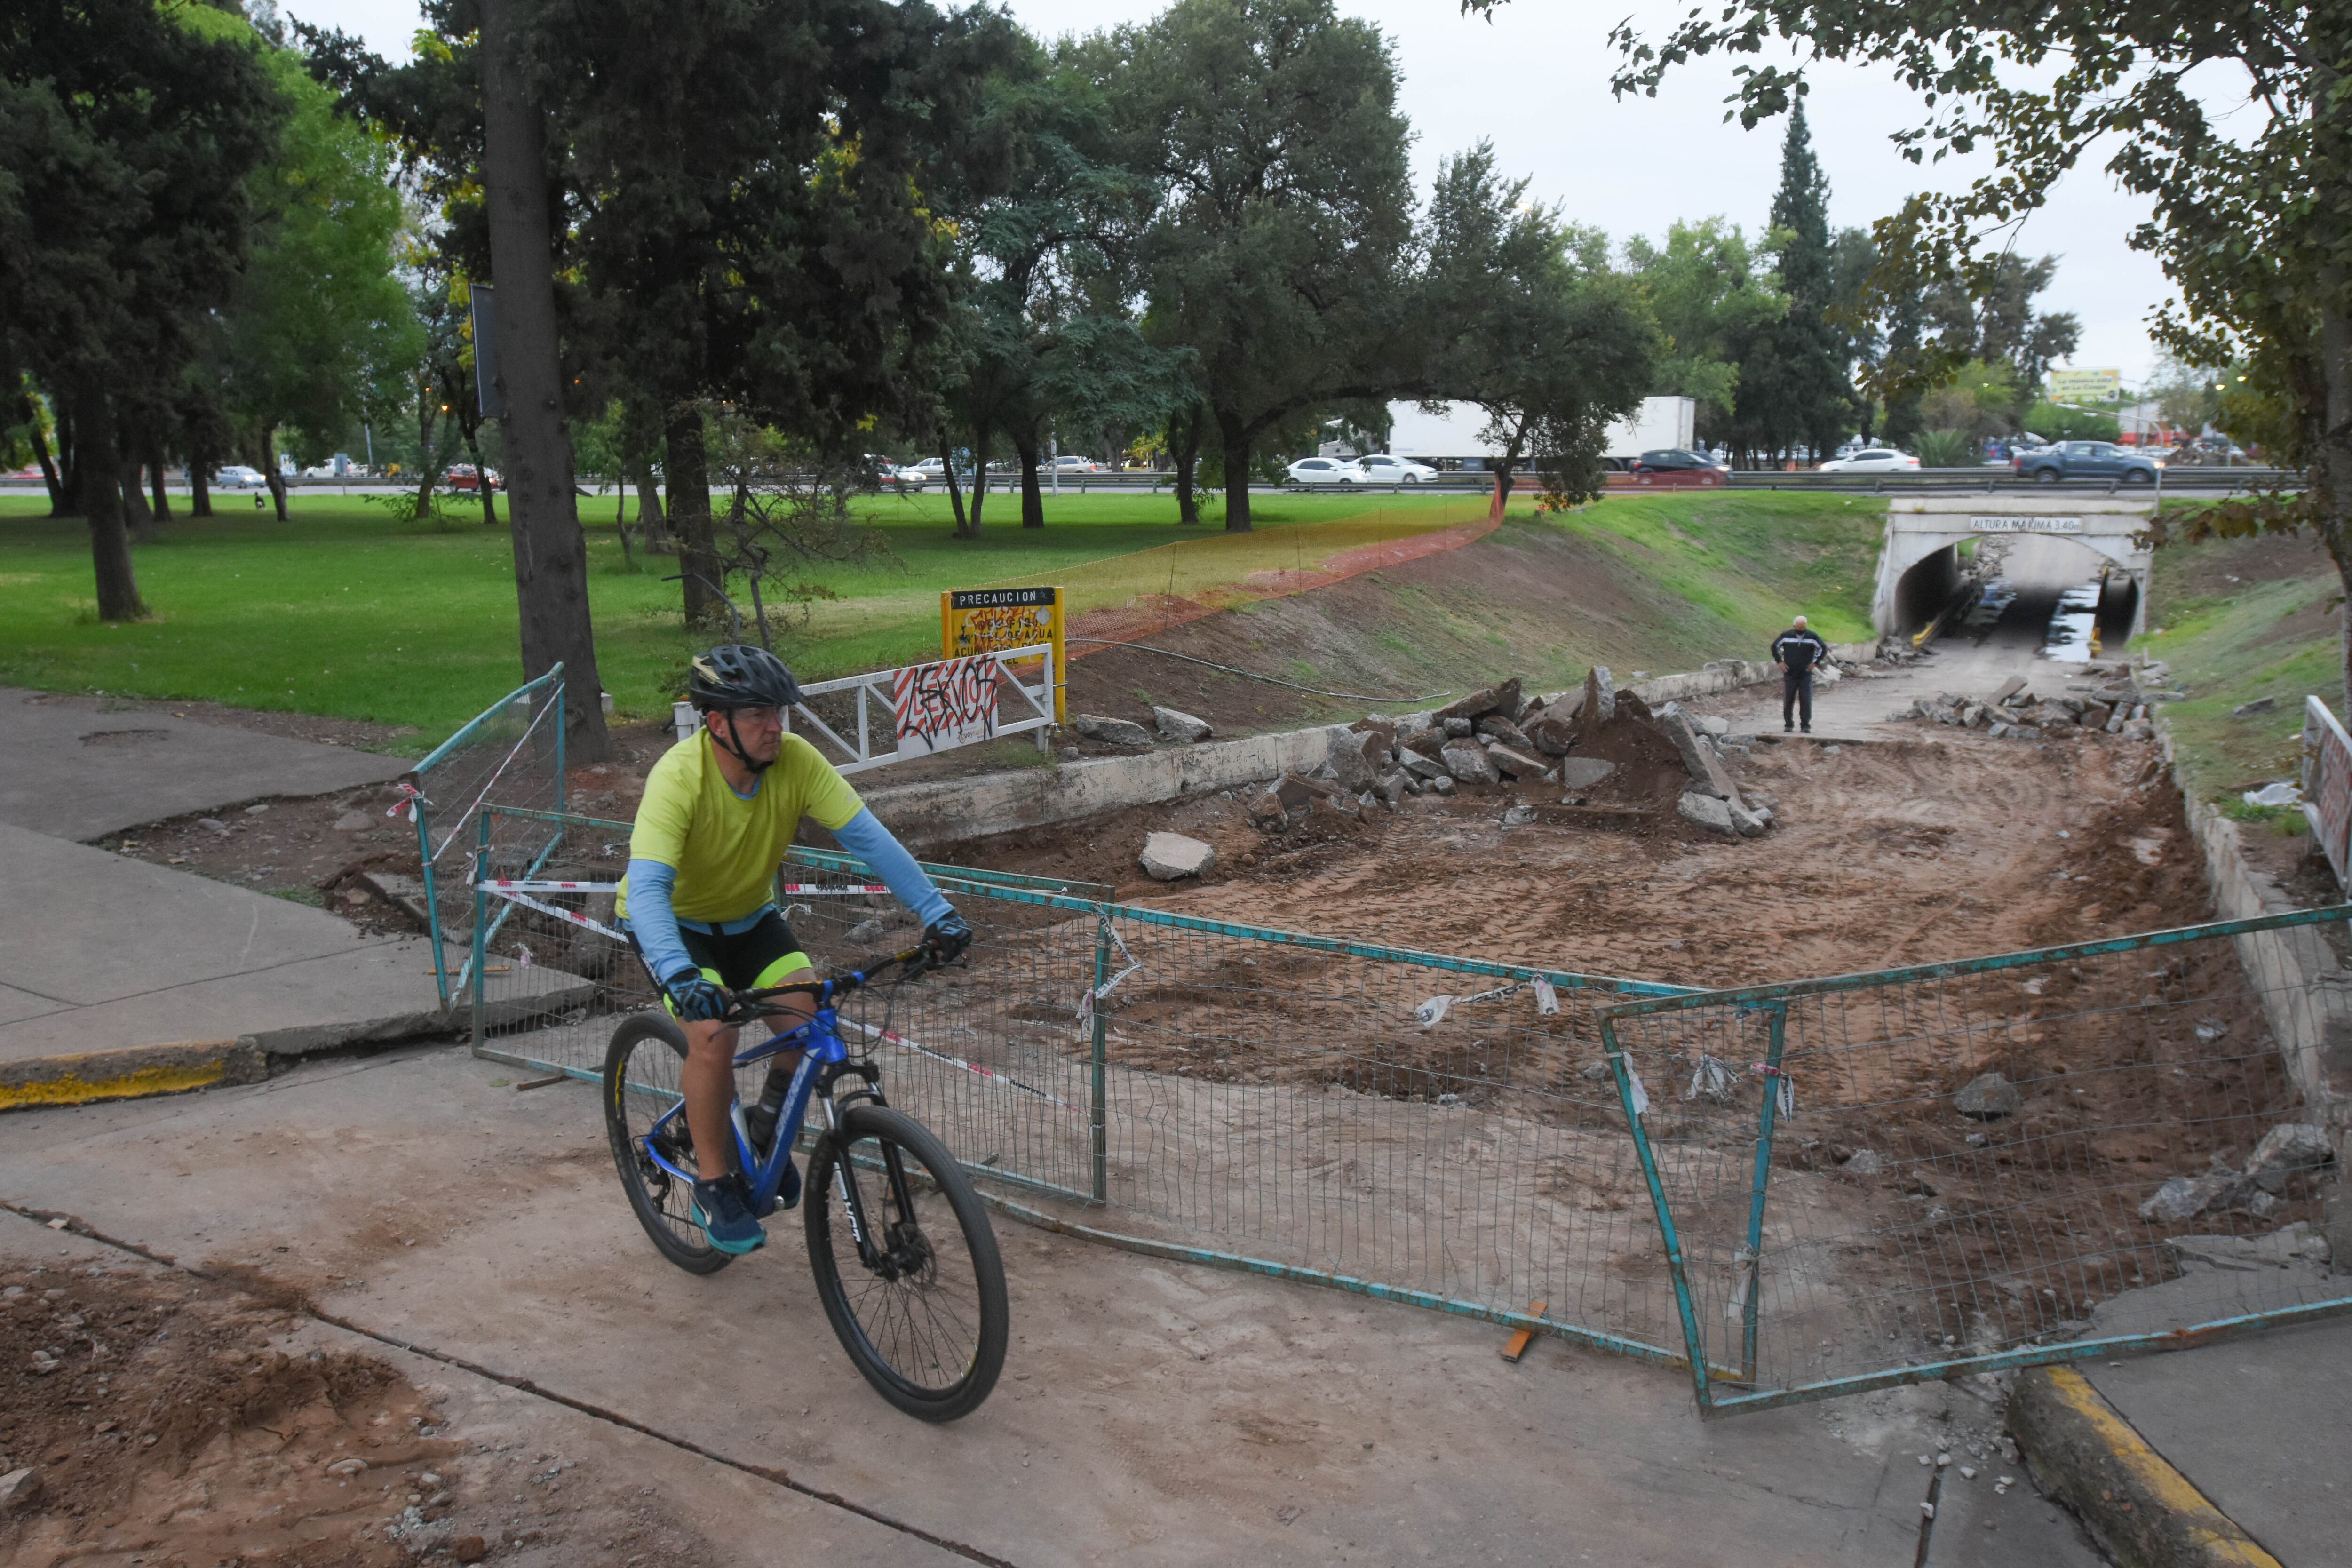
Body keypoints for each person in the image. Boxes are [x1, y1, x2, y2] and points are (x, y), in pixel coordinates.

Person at [616, 644, 973, 1255]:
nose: (775, 725)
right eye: (757, 714)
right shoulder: (679, 777)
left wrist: (937, 912)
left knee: (808, 1015)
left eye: (778, 711)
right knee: (713, 1036)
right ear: (716, 722)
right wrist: (679, 974)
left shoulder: (798, 764)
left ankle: (761, 1126)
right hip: (677, 926)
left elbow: (869, 839)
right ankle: (713, 1182)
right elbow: (648, 887)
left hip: (751, 919)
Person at [1771, 615, 1831, 734]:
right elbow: (1775, 647)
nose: (1801, 630)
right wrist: (1780, 662)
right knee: (1788, 699)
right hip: (1790, 673)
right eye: (1799, 628)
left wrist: (1815, 663)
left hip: (1805, 674)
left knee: (1806, 700)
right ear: (1794, 626)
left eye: (1803, 628)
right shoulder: (1786, 636)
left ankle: (1805, 725)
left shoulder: (1812, 636)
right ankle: (1788, 724)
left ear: (1806, 626)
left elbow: (1823, 648)